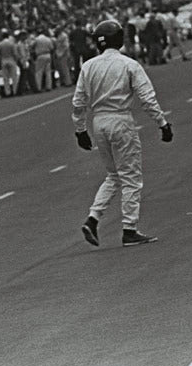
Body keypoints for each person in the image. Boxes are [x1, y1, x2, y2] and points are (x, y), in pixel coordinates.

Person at [73, 20, 173, 248]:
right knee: (131, 178)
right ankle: (129, 229)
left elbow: (78, 102)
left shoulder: (88, 66)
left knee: (113, 175)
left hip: (99, 122)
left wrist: (80, 130)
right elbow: (147, 98)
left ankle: (93, 218)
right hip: (120, 120)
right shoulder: (129, 64)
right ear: (118, 39)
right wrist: (162, 123)